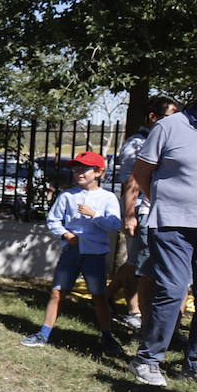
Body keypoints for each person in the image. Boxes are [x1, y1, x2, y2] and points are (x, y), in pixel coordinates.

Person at [126, 75, 197, 387]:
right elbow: (140, 173)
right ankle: (147, 360)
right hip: (173, 225)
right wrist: (162, 203)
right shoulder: (170, 126)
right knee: (173, 290)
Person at [20, 152, 123, 356]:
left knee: (99, 296)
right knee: (58, 291)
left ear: (99, 172)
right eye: (76, 168)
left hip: (94, 254)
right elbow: (53, 220)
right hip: (71, 252)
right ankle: (44, 333)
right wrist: (66, 235)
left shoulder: (108, 198)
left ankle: (108, 337)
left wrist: (94, 215)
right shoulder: (67, 195)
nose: (78, 173)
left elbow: (114, 224)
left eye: (84, 169)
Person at [107, 95, 180, 329]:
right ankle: (133, 312)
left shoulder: (170, 140)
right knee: (140, 266)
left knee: (139, 264)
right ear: (153, 117)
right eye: (170, 116)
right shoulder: (137, 143)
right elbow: (132, 182)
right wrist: (130, 215)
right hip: (142, 212)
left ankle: (107, 297)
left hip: (162, 213)